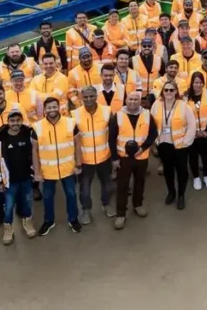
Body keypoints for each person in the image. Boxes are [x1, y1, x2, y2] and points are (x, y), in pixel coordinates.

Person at [32, 97, 83, 235]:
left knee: (71, 194)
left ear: (59, 107)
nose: (52, 109)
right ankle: (49, 221)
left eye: (54, 106)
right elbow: (34, 151)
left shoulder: (71, 123)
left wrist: (79, 164)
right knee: (47, 197)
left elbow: (78, 144)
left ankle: (73, 219)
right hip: (48, 172)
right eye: (49, 107)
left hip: (68, 169)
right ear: (45, 109)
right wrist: (37, 172)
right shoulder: (37, 127)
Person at [110, 91, 157, 229]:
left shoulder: (147, 115)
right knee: (122, 186)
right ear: (126, 100)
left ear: (140, 101)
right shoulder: (118, 116)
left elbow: (153, 134)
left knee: (140, 182)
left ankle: (138, 204)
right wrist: (114, 159)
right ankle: (120, 214)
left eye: (136, 99)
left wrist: (143, 148)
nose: (133, 102)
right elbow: (111, 139)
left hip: (141, 156)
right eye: (130, 99)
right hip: (123, 158)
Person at [0, 109, 37, 244]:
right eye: (12, 120)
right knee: (9, 206)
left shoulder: (28, 133)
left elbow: (34, 153)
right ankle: (8, 228)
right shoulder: (0, 138)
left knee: (27, 202)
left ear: (22, 121)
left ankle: (28, 223)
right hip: (10, 181)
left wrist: (34, 172)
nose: (15, 123)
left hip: (26, 178)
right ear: (8, 122)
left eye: (18, 120)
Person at [152, 80, 197, 210]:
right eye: (166, 90)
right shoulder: (156, 105)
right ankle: (171, 192)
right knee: (168, 169)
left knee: (182, 170)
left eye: (171, 90)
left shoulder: (183, 106)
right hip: (163, 144)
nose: (169, 92)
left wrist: (186, 142)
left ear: (176, 91)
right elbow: (152, 123)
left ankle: (181, 195)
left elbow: (192, 125)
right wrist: (156, 140)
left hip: (180, 145)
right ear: (162, 92)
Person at [72, 86, 113, 224]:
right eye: (85, 97)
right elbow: (72, 141)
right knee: (84, 188)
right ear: (81, 98)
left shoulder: (107, 111)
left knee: (107, 184)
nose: (88, 99)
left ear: (96, 96)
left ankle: (106, 204)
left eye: (91, 96)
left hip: (105, 157)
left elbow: (113, 135)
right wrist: (75, 161)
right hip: (84, 160)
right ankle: (86, 210)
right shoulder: (75, 115)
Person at [186, 72, 207, 191]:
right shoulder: (185, 96)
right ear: (192, 83)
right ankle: (196, 177)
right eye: (196, 82)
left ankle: (206, 176)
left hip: (206, 133)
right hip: (192, 134)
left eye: (200, 82)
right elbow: (182, 115)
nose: (198, 85)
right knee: (193, 156)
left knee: (206, 156)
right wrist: (193, 132)